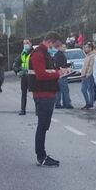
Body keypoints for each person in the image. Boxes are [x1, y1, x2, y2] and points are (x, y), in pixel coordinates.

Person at [30, 31, 69, 167]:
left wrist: (60, 71)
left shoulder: (44, 54)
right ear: (50, 42)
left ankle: (42, 154)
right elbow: (41, 75)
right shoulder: (38, 54)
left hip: (47, 93)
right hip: (43, 94)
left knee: (44, 125)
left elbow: (47, 71)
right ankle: (41, 156)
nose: (56, 48)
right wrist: (58, 73)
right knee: (42, 126)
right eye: (56, 45)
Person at [13, 39, 32, 115]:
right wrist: (18, 71)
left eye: (27, 43)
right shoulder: (22, 53)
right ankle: (22, 110)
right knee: (23, 93)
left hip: (32, 76)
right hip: (24, 76)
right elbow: (16, 64)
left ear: (30, 44)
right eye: (24, 43)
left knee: (35, 94)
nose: (25, 45)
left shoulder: (34, 53)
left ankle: (38, 110)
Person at [52, 41, 73, 109]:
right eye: (63, 47)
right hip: (62, 74)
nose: (65, 48)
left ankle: (58, 103)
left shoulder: (57, 54)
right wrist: (65, 67)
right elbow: (59, 65)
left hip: (58, 74)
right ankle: (67, 103)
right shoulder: (60, 55)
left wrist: (67, 65)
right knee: (65, 89)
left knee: (59, 90)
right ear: (59, 47)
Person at [80, 42, 96, 109]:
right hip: (84, 75)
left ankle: (90, 103)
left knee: (90, 89)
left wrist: (88, 74)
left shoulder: (93, 56)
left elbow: (91, 66)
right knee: (83, 89)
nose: (85, 49)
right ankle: (87, 102)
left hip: (89, 76)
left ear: (90, 48)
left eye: (86, 47)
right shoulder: (87, 55)